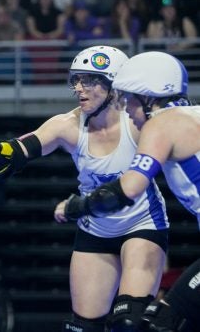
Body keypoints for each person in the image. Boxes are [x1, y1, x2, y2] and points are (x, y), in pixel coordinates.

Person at [0, 45, 170, 332]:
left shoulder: (137, 122)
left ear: (114, 84)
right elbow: (14, 151)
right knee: (83, 328)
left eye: (89, 81)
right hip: (95, 229)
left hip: (142, 224)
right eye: (76, 80)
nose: (79, 88)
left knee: (129, 323)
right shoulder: (67, 125)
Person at [62, 51, 200, 331]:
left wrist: (76, 207)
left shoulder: (161, 123)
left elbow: (127, 189)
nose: (125, 109)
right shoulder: (192, 114)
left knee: (160, 322)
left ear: (148, 95)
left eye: (129, 99)